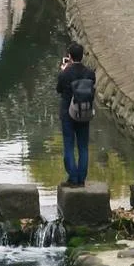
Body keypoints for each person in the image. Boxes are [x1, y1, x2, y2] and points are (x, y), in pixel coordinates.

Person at [56, 43, 96, 188]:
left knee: (69, 145)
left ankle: (73, 177)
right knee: (83, 146)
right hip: (84, 112)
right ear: (82, 56)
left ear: (70, 57)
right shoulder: (90, 73)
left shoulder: (65, 73)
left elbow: (59, 89)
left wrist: (63, 70)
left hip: (68, 113)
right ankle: (81, 178)